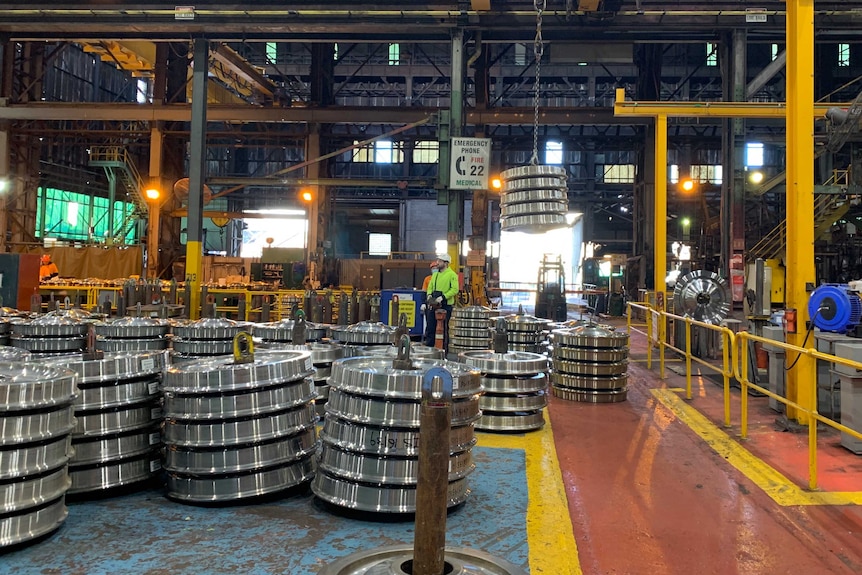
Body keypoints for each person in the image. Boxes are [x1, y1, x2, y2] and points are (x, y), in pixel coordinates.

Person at [424, 253, 459, 351]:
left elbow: (454, 289)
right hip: (434, 304)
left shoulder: (452, 275)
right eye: (437, 260)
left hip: (445, 305)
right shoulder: (435, 275)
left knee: (443, 330)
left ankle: (443, 352)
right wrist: (429, 295)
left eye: (439, 261)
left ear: (446, 263)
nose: (437, 263)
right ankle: (429, 351)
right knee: (430, 328)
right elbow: (430, 287)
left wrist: (443, 297)